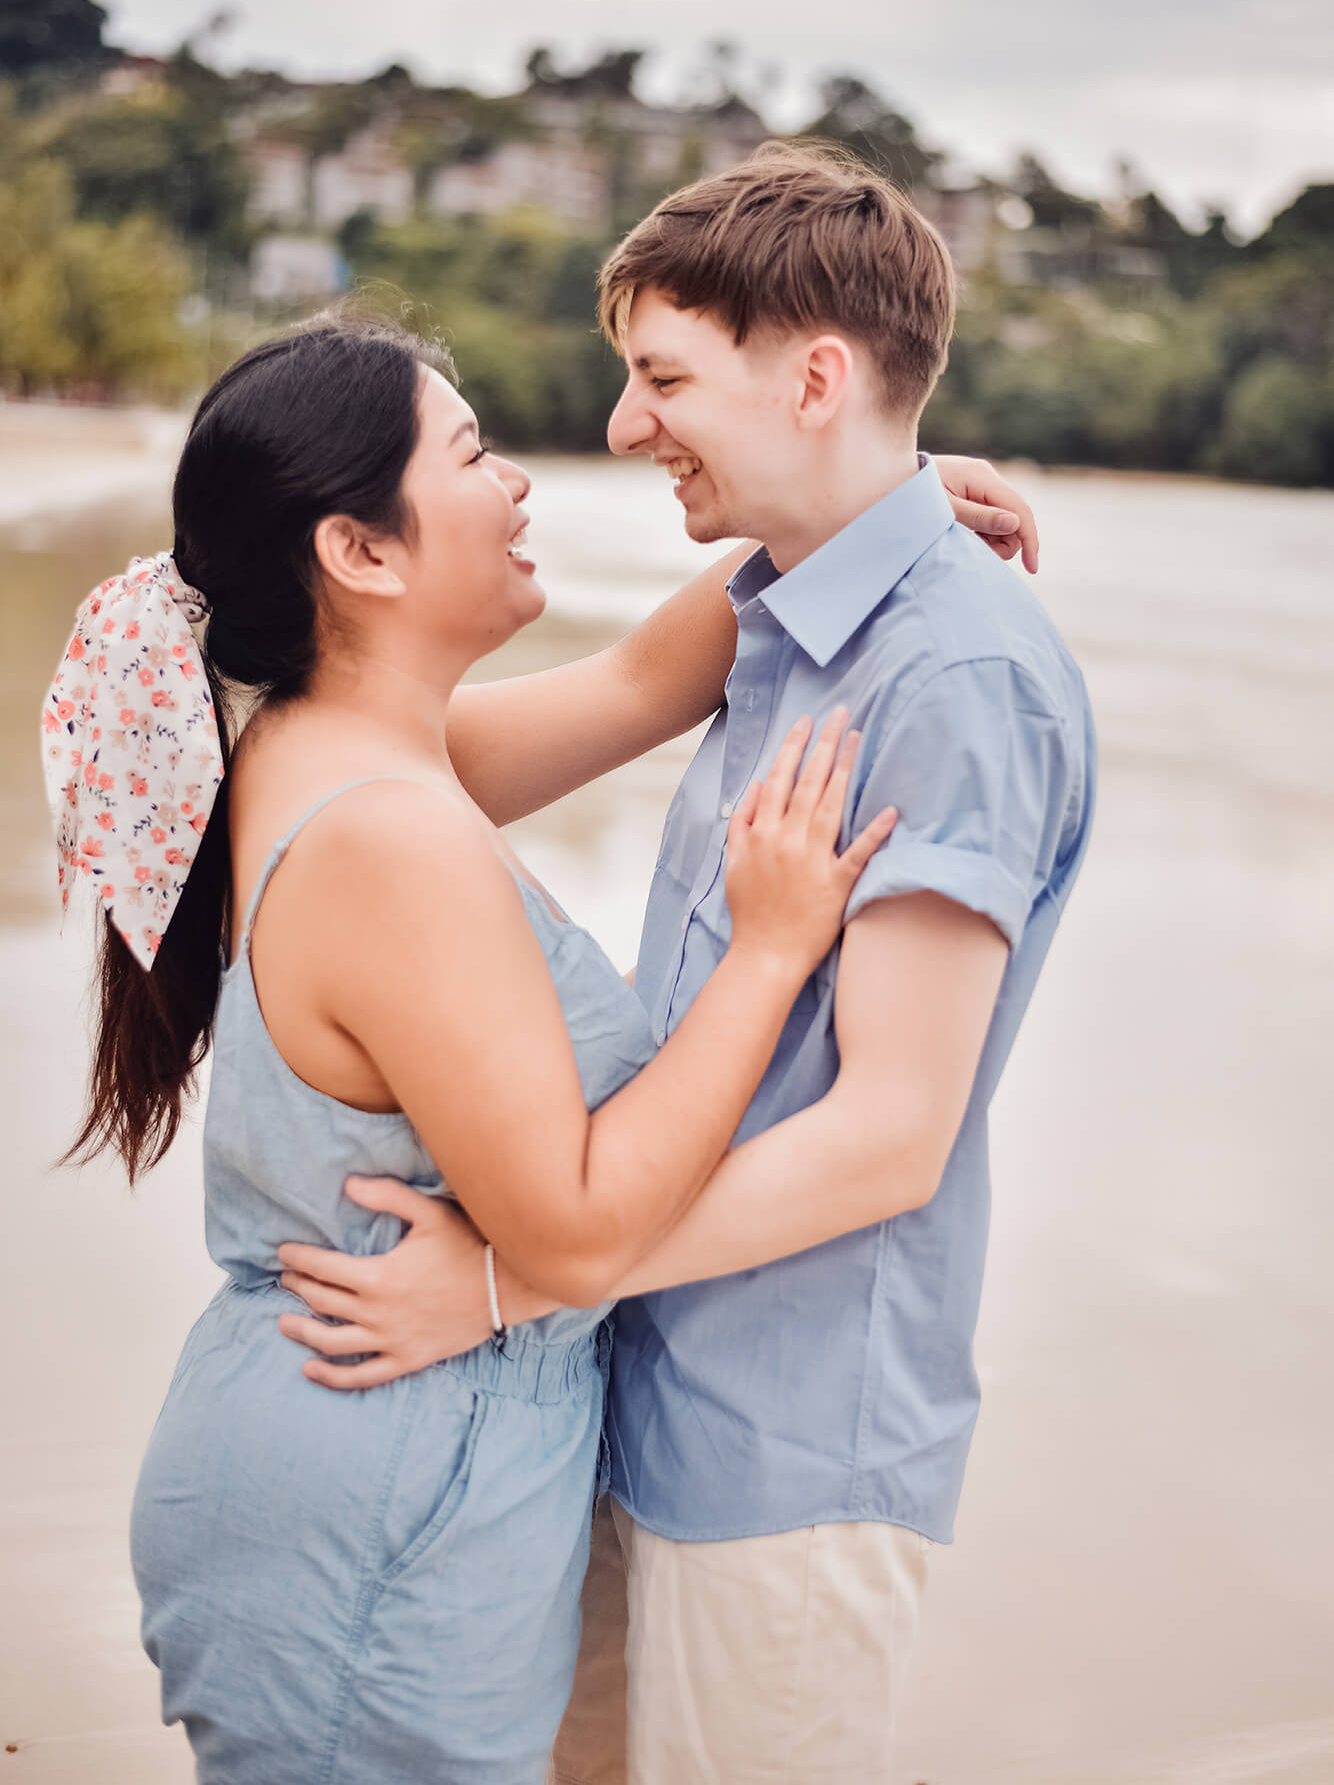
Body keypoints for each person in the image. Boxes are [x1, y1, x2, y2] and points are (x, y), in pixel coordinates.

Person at [41, 313, 1025, 1785]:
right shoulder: (385, 833)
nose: (515, 486)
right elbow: (569, 1225)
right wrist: (765, 956)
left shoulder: (330, 751)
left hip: (358, 1467)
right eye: (473, 454)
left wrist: (873, 498)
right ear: (361, 553)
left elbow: (639, 683)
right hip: (376, 1511)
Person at [276, 146, 1096, 1785]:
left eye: (660, 380)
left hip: (782, 1455)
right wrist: (882, 499)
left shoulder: (954, 673)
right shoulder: (782, 620)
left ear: (811, 378)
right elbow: (502, 732)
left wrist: (511, 1278)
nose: (624, 428)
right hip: (628, 1399)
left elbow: (892, 1133)